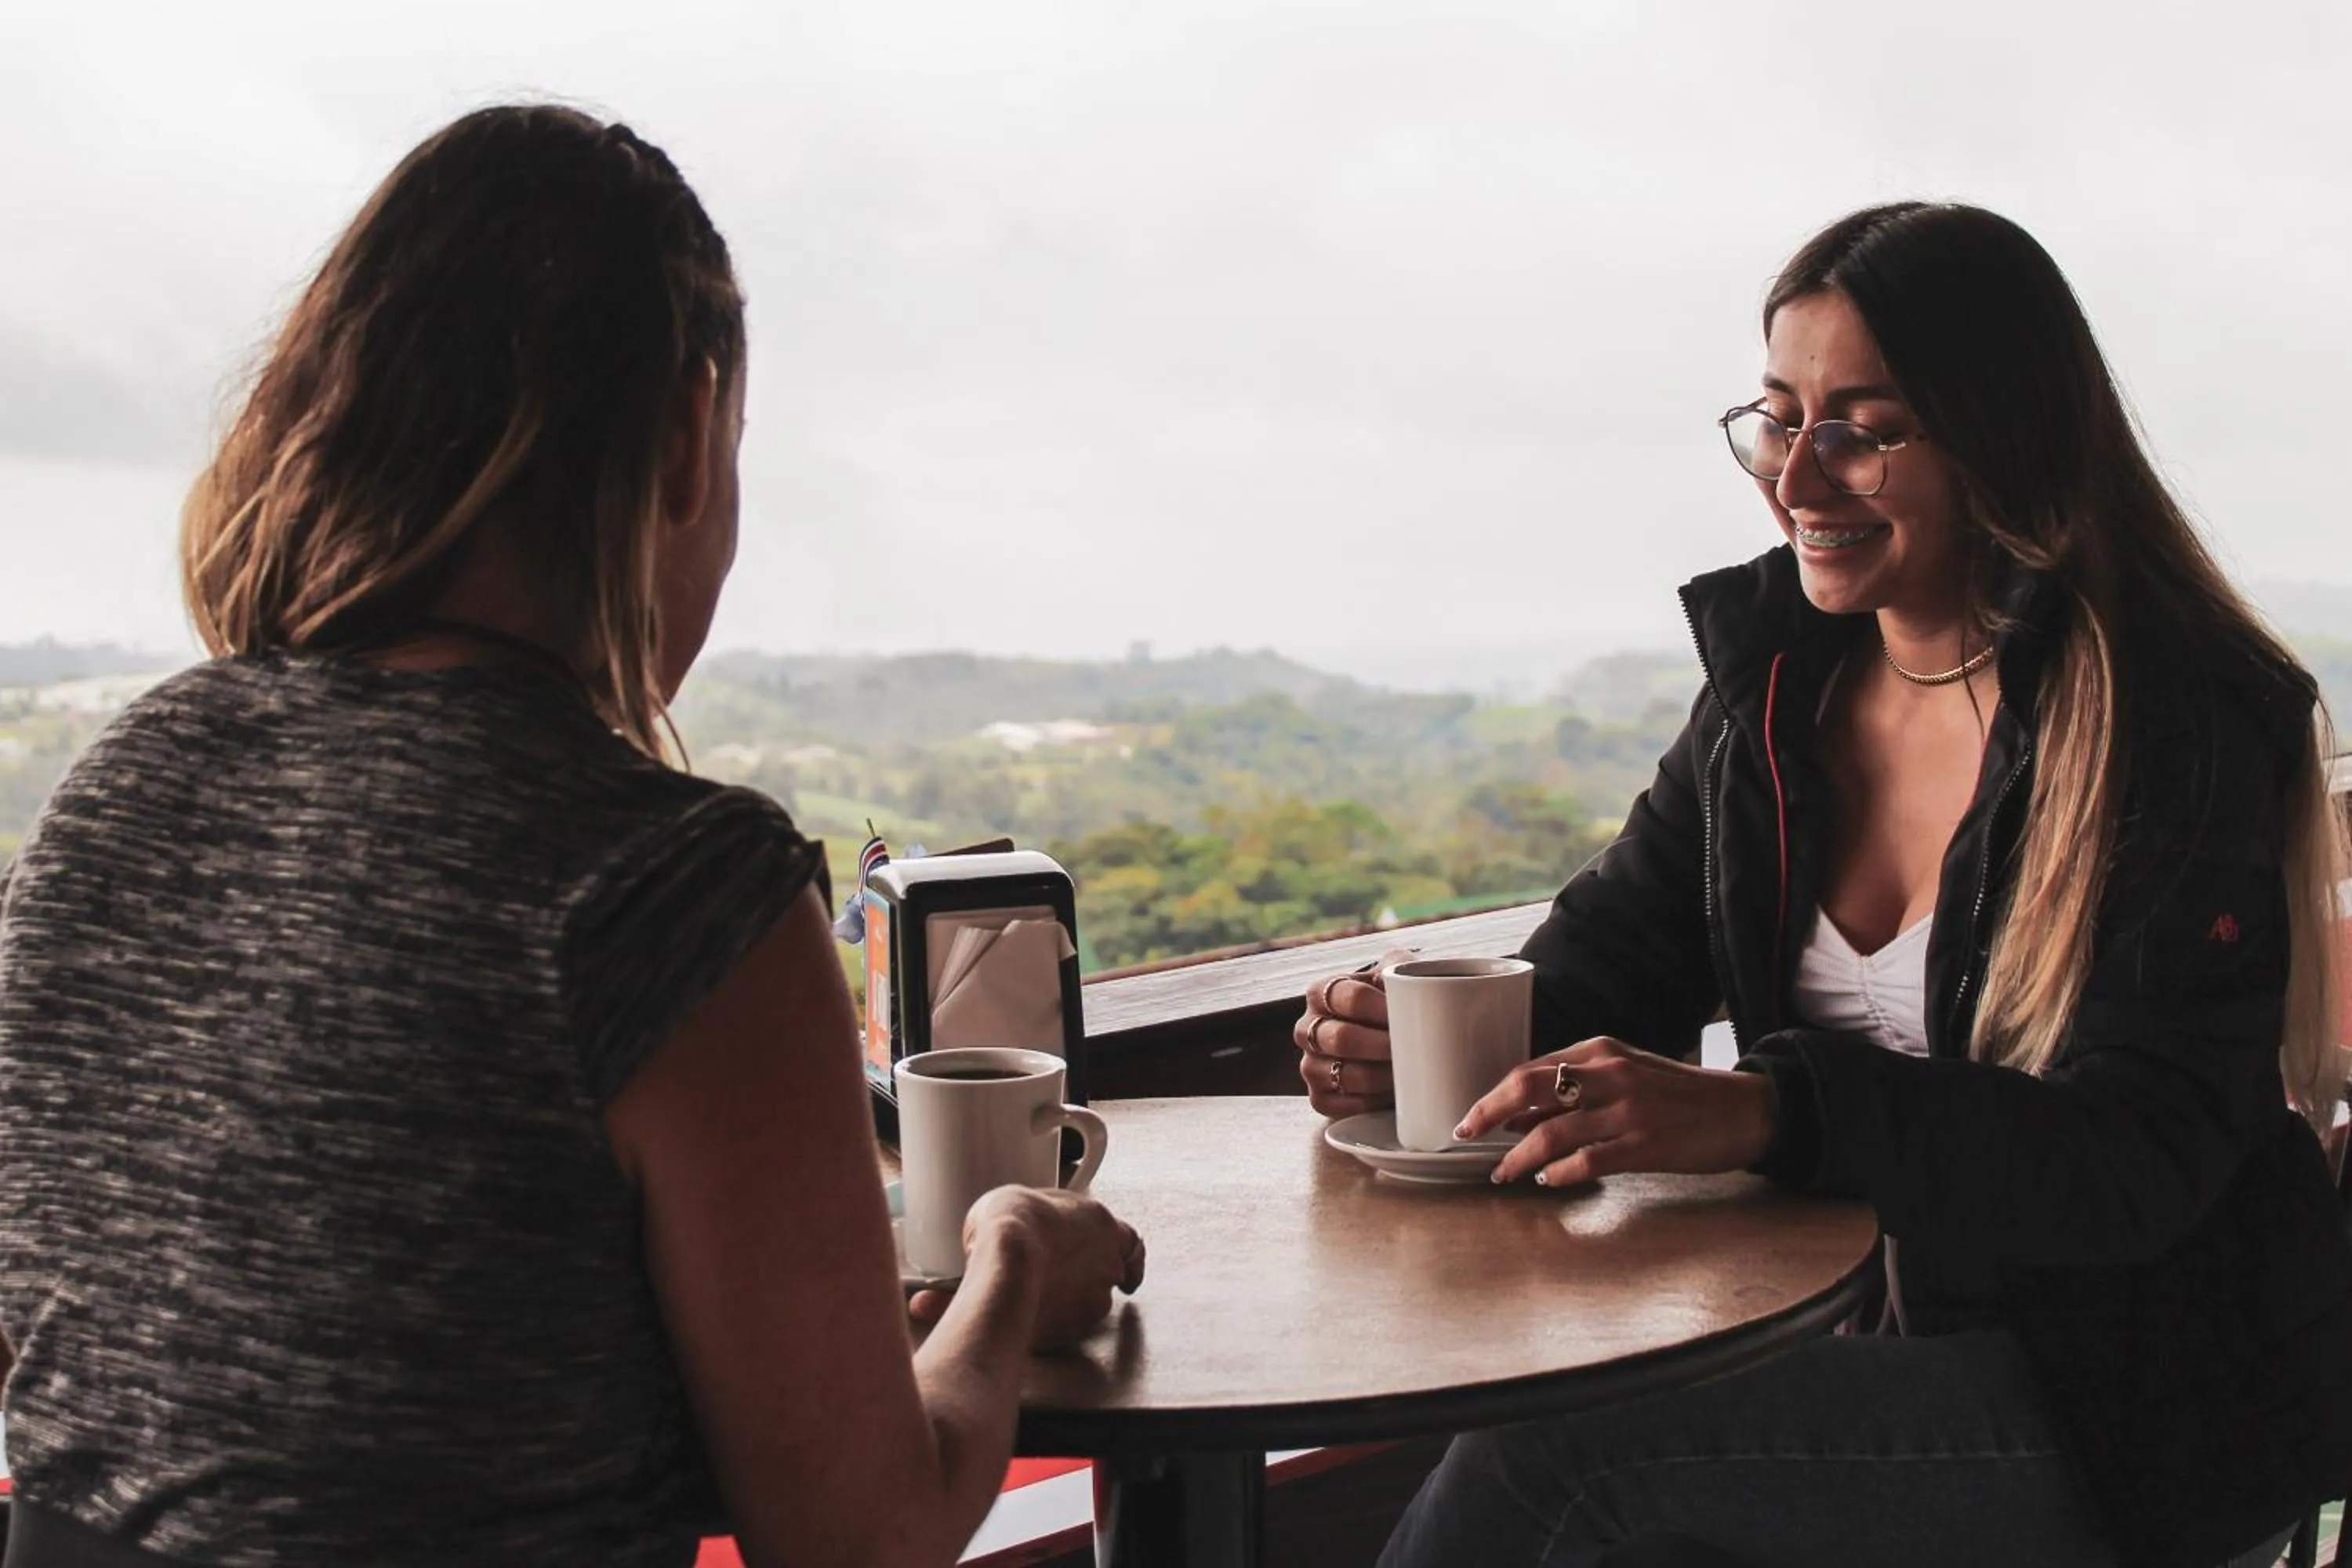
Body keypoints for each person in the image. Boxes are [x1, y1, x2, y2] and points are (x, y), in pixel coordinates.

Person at [0, 105, 1142, 1568]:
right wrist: (1014, 1258)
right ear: (682, 442)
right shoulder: (671, 893)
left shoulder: (115, 794)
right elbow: (868, 1534)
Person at [1296, 202, 2352, 1568]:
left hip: (2135, 1407)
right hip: (1858, 1335)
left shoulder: (2178, 717)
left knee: (1564, 1454)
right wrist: (1421, 1037)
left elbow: (2133, 1159)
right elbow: (1612, 960)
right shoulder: (1777, 691)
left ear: (2001, 437)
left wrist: (1767, 1112)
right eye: (1779, 417)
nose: (1800, 476)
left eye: (1865, 427)